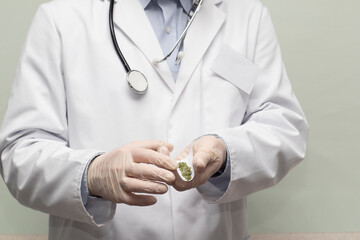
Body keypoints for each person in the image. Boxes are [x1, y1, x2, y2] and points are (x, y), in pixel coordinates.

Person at [0, 0, 309, 239]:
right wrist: (91, 174)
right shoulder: (61, 19)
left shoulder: (247, 18)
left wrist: (225, 153)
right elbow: (20, 153)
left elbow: (283, 127)